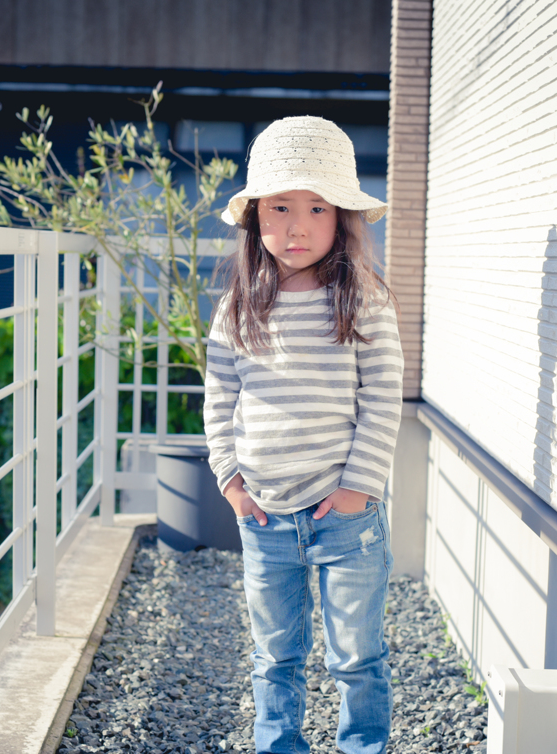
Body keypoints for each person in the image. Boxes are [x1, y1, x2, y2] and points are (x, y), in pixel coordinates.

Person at [204, 116, 404, 754]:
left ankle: (363, 746)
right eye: (279, 207)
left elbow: (382, 398)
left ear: (341, 217)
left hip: (346, 517)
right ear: (255, 217)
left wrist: (357, 489)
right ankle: (278, 745)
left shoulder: (363, 299)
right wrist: (231, 481)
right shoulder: (240, 305)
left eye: (316, 207)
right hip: (263, 513)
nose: (296, 226)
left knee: (356, 657)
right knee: (274, 656)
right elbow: (219, 396)